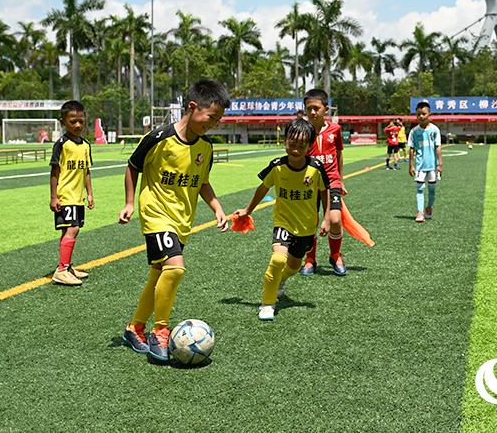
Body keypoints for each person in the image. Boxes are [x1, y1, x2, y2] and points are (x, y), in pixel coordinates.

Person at [118, 78, 231, 361]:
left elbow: (202, 181)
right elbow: (133, 166)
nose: (214, 124)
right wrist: (130, 202)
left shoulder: (206, 147)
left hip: (182, 220)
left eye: (218, 119)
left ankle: (135, 328)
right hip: (156, 213)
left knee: (159, 272)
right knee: (176, 269)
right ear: (192, 107)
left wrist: (216, 207)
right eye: (211, 117)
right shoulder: (158, 139)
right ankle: (161, 332)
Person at [234, 118, 331, 320]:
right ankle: (267, 304)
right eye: (291, 144)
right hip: (283, 223)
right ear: (285, 141)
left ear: (310, 145)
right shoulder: (277, 166)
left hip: (306, 227)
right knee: (278, 259)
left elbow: (325, 192)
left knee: (293, 268)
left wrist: (326, 218)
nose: (295, 150)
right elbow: (263, 188)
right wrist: (248, 209)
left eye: (301, 146)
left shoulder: (316, 168)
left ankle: (282, 279)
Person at [298, 88, 348, 276]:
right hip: (309, 184)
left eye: (316, 108)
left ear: (326, 109)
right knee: (311, 223)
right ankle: (310, 259)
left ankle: (335, 255)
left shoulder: (335, 129)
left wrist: (341, 180)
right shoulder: (302, 130)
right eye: (308, 108)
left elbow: (339, 154)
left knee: (335, 220)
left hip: (332, 181)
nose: (312, 112)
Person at [49, 101, 94, 286]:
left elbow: (87, 171)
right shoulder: (61, 144)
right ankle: (61, 271)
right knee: (72, 229)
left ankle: (65, 266)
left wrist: (89, 193)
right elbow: (54, 171)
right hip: (65, 195)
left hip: (78, 197)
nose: (77, 125)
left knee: (70, 229)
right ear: (63, 122)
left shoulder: (86, 145)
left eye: (81, 121)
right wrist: (54, 196)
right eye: (73, 121)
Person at [408, 101, 443, 222]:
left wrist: (440, 164)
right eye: (418, 114)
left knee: (432, 189)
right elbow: (412, 149)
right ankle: (420, 213)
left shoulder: (435, 130)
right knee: (420, 188)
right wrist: (411, 165)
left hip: (432, 166)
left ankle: (429, 208)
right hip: (419, 166)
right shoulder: (414, 131)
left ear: (429, 114)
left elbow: (438, 147)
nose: (421, 117)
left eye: (423, 114)